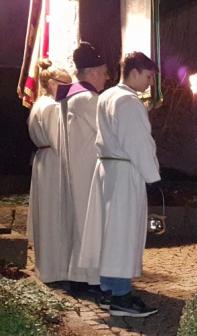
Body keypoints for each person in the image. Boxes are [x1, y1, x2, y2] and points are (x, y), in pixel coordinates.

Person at [78, 52, 160, 317]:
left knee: (110, 233)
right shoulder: (128, 101)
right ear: (134, 72)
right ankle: (121, 296)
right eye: (148, 76)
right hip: (124, 172)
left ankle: (108, 289)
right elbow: (138, 142)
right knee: (123, 233)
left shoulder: (107, 96)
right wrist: (153, 177)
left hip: (108, 170)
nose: (150, 83)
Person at [56, 41, 109, 293]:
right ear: (92, 72)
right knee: (91, 224)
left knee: (80, 224)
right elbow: (108, 129)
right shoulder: (87, 99)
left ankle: (79, 276)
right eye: (104, 72)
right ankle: (92, 279)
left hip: (78, 167)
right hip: (88, 170)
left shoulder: (72, 96)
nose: (107, 77)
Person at [26, 60, 72, 283]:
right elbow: (59, 140)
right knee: (54, 214)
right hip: (54, 162)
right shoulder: (52, 108)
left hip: (43, 161)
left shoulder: (38, 104)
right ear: (53, 83)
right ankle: (55, 269)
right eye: (66, 83)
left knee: (44, 214)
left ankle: (44, 266)